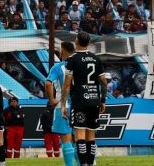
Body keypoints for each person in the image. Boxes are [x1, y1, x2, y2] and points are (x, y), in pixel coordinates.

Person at [61, 31, 108, 166]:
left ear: (76, 41)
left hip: (79, 101)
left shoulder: (72, 59)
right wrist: (103, 100)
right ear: (88, 42)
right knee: (91, 136)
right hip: (94, 100)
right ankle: (90, 164)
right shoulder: (95, 59)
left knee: (79, 135)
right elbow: (104, 82)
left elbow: (67, 84)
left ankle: (83, 164)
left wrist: (63, 105)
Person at [45, 41, 77, 166]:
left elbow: (48, 83)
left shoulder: (58, 67)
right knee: (79, 139)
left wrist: (52, 100)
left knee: (66, 139)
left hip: (62, 106)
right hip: (78, 105)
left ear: (62, 51)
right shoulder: (79, 65)